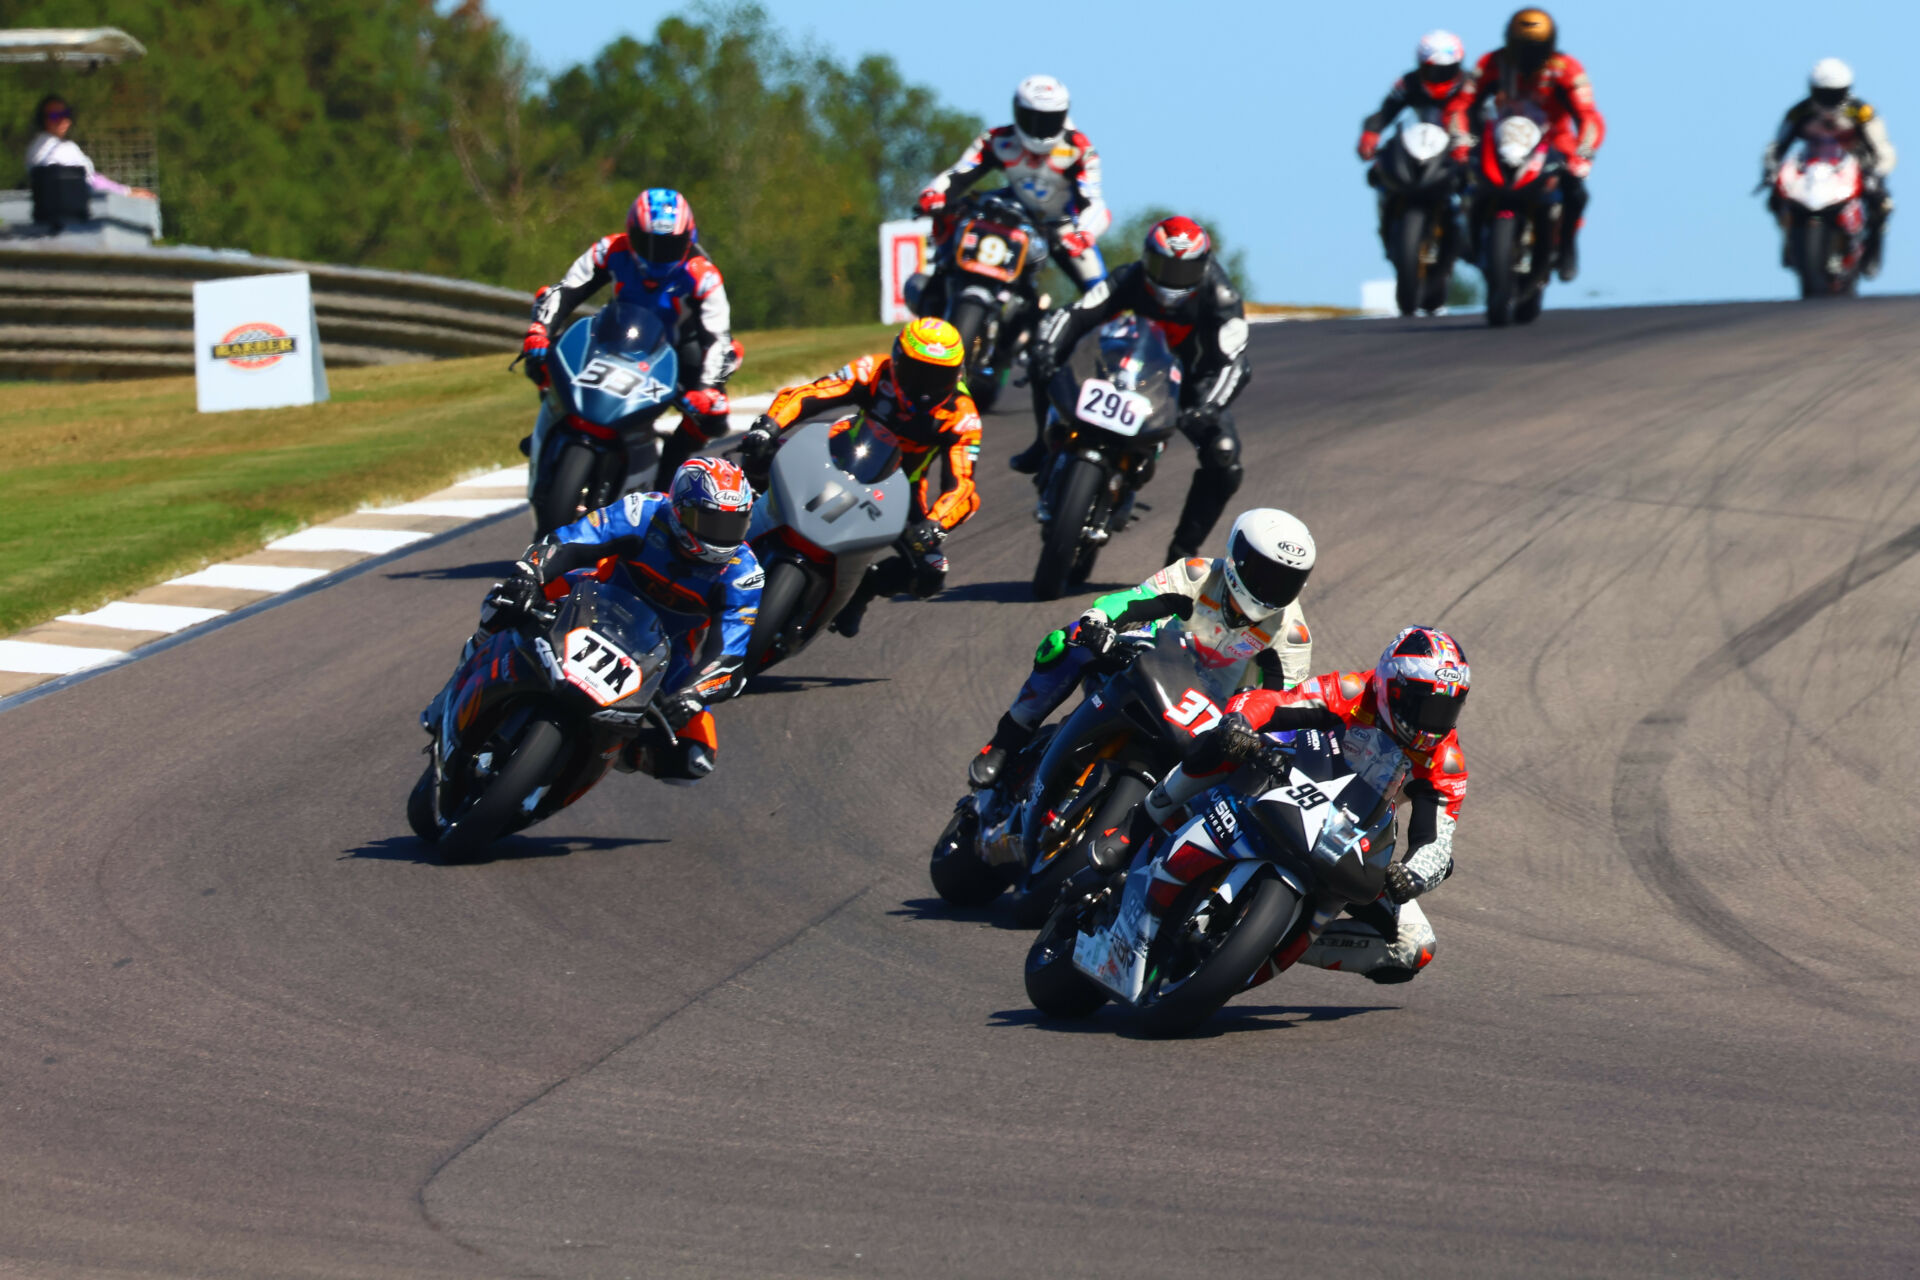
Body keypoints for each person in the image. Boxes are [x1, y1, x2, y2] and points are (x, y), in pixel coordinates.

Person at [1113, 625, 1470, 984]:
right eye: (1423, 704)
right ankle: (1135, 826)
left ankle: (1260, 943)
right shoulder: (1351, 690)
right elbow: (1273, 703)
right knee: (1219, 744)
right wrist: (1241, 722)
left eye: (1445, 709)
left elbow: (1438, 840)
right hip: (1285, 772)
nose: (1431, 723)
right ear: (1391, 686)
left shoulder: (1445, 759)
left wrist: (1414, 874)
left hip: (1351, 831)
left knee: (1415, 946)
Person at [968, 508, 1317, 791]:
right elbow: (1137, 600)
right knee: (1066, 643)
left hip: (1209, 712)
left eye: (1285, 581)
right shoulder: (1198, 574)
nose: (1271, 589)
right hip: (1149, 661)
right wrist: (1099, 619)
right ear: (1235, 557)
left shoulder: (1292, 635)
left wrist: (1260, 737)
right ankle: (1006, 741)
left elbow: (1283, 703)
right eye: (1263, 573)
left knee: (1241, 777)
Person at [459, 457, 763, 781]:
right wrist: (531, 573)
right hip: (592, 598)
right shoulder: (643, 512)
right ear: (679, 509)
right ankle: (469, 666)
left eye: (733, 525)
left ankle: (614, 750)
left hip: (666, 653)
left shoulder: (744, 573)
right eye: (709, 522)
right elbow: (572, 540)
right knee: (505, 598)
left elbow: (729, 652)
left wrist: (695, 692)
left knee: (694, 759)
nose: (720, 537)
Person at [1018, 215, 1250, 564]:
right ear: (1146, 257)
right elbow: (1079, 312)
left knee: (1224, 455)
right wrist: (1047, 349)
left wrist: (1208, 407)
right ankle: (1042, 444)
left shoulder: (1221, 296)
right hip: (1122, 362)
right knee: (1043, 360)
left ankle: (1183, 552)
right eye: (1161, 265)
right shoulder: (1129, 276)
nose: (1170, 278)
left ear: (1202, 268)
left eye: (1183, 271)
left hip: (1190, 383)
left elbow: (1235, 364)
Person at [735, 317, 982, 638]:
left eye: (938, 377)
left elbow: (963, 486)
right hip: (837, 455)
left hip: (901, 492)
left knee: (930, 573)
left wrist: (936, 524)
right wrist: (769, 426)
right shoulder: (873, 371)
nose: (924, 387)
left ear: (957, 374)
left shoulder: (962, 415)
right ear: (896, 360)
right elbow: (812, 393)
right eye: (915, 371)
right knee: (757, 455)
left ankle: (863, 590)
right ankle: (730, 525)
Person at [519, 189, 743, 477]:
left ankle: (668, 479)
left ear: (688, 239)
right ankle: (550, 423)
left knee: (714, 416)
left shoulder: (704, 275)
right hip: (616, 335)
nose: (656, 256)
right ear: (631, 233)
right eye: (646, 243)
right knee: (542, 354)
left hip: (677, 351)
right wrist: (541, 330)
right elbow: (566, 290)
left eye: (668, 246)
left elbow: (717, 336)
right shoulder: (610, 249)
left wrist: (706, 389)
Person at [1447, 8, 1604, 281]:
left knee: (1576, 190)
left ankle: (1566, 247)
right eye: (1521, 48)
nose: (1528, 57)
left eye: (1536, 49)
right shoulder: (1490, 63)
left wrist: (1584, 153)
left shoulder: (1567, 69)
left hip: (1553, 141)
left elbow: (1589, 116)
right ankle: (1470, 238)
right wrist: (1460, 141)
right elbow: (1461, 104)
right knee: (1464, 178)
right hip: (1499, 138)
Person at [915, 75, 1111, 295]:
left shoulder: (1080, 150)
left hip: (1061, 226)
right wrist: (934, 194)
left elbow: (1095, 204)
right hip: (1013, 212)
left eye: (1049, 120)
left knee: (1099, 290)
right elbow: (959, 173)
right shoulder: (997, 140)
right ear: (1017, 112)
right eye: (1031, 119)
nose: (1039, 129)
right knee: (951, 215)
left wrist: (1083, 234)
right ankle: (939, 280)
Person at [1763, 58, 1897, 278]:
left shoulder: (1862, 112)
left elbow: (1882, 149)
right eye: (1823, 94)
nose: (1829, 101)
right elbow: (1777, 146)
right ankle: (1789, 239)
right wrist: (1770, 169)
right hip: (1811, 168)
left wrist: (1877, 173)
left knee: (1881, 204)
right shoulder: (1799, 113)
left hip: (1854, 166)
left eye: (1834, 95)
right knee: (1775, 197)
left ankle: (1872, 253)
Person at [1358, 31, 1475, 256]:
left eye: (1446, 70)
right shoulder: (1409, 83)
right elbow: (1386, 111)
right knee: (1377, 170)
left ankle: (1471, 227)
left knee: (1475, 181)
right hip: (1417, 146)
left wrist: (1471, 146)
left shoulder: (1470, 86)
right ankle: (1388, 215)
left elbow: (1485, 118)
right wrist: (1370, 134)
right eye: (1431, 70)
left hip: (1457, 151)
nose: (1438, 76)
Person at [24, 94, 154, 199]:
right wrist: (126, 194)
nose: (62, 120)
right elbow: (84, 184)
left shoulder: (48, 145)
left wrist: (127, 191)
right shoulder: (54, 148)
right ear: (43, 119)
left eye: (65, 114)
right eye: (54, 116)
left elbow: (91, 178)